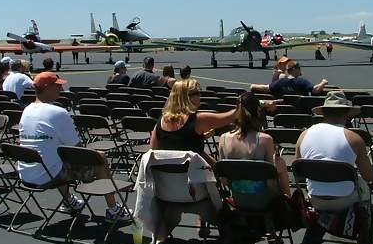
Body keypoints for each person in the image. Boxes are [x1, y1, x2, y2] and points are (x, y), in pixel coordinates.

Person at [18, 72, 130, 221]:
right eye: (57, 86)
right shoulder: (57, 112)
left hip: (26, 173)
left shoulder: (26, 110)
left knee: (55, 158)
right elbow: (78, 149)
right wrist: (97, 155)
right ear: (47, 88)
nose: (61, 89)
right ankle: (113, 209)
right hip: (47, 176)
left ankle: (68, 201)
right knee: (99, 159)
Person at [295, 91, 373, 244]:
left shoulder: (303, 136)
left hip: (315, 198)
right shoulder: (355, 139)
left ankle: (314, 238)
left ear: (323, 113)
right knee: (366, 194)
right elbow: (369, 176)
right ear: (347, 114)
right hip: (345, 200)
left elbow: (298, 171)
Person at [149, 79, 280, 167]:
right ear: (184, 98)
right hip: (193, 185)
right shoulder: (199, 119)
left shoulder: (160, 122)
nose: (199, 95)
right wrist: (262, 103)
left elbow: (153, 151)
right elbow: (235, 114)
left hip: (166, 185)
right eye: (195, 93)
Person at [218, 92, 290, 196]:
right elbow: (271, 182)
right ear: (257, 112)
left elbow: (224, 180)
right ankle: (289, 201)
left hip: (238, 198)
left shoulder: (223, 138)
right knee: (280, 163)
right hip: (263, 199)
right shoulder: (265, 140)